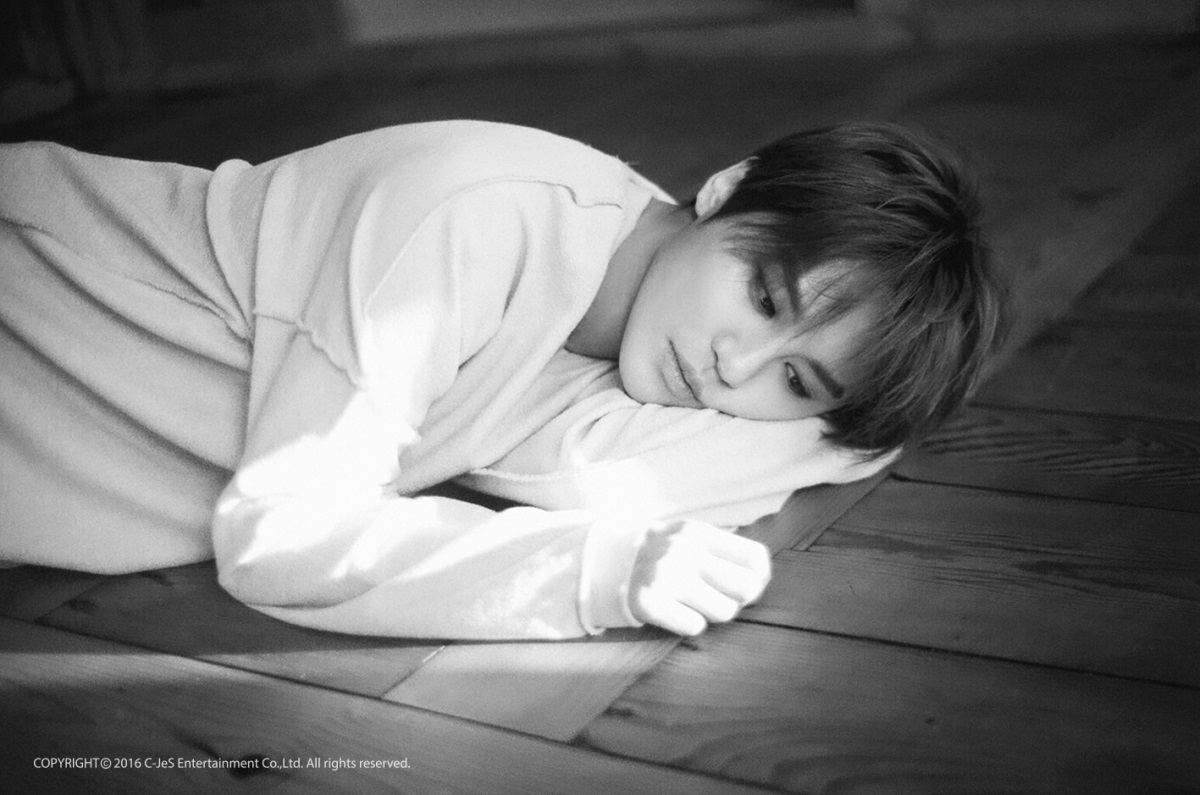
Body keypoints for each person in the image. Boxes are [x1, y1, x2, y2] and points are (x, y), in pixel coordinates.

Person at [0, 119, 1004, 639]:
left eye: (794, 379)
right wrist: (590, 574)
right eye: (766, 294)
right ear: (729, 189)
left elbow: (620, 472)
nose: (731, 367)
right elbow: (283, 541)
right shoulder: (465, 222)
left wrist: (863, 426)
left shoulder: (634, 336)